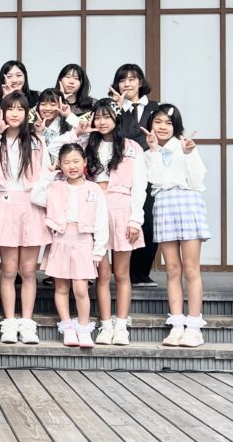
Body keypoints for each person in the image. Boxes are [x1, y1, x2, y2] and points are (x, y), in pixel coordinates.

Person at [0, 91, 51, 345]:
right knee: (8, 270)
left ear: (27, 113)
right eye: (10, 109)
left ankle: (27, 322)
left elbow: (46, 174)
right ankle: (9, 322)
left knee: (28, 270)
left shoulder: (36, 141)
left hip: (31, 204)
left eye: (20, 109)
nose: (15, 113)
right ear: (3, 111)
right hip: (5, 202)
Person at [143, 104, 209, 347]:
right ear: (151, 125)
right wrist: (153, 151)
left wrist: (189, 154)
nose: (163, 127)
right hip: (164, 205)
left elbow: (197, 179)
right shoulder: (148, 152)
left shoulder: (185, 146)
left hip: (188, 202)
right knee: (172, 269)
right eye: (158, 122)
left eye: (168, 123)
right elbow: (155, 180)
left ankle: (194, 327)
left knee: (191, 268)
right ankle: (177, 324)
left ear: (176, 126)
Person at [83, 99, 147, 346]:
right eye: (98, 117)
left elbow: (140, 186)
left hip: (122, 209)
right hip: (93, 209)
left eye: (107, 116)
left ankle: (121, 325)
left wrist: (135, 220)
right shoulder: (86, 144)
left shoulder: (132, 147)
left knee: (121, 273)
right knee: (102, 273)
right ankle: (105, 324)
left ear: (117, 118)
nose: (102, 122)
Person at [31, 144, 107, 349]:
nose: (72, 166)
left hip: (84, 242)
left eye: (76, 161)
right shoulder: (55, 187)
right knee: (62, 287)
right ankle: (67, 327)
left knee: (81, 288)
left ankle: (84, 328)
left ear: (85, 162)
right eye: (66, 162)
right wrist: (48, 176)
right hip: (60, 241)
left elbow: (101, 219)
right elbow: (35, 197)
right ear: (60, 165)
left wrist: (99, 249)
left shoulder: (94, 189)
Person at [110, 63, 159, 288]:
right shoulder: (114, 109)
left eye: (132, 79)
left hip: (150, 172)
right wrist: (120, 109)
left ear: (140, 82)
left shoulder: (156, 108)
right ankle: (122, 273)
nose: (127, 84)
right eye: (122, 80)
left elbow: (159, 136)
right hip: (120, 174)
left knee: (148, 222)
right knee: (117, 223)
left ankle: (140, 273)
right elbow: (116, 134)